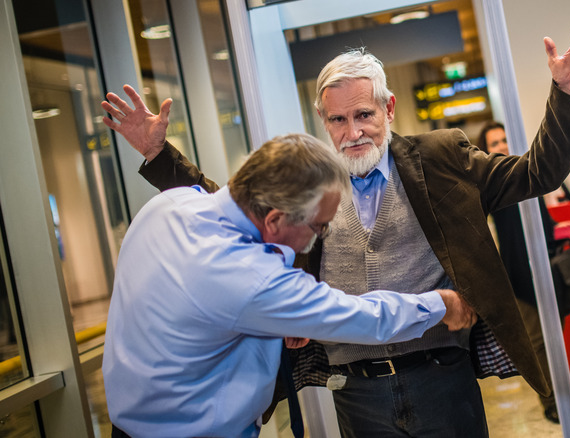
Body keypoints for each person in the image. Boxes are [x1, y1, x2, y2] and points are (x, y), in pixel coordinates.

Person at [103, 15, 570, 437]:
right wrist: (157, 154)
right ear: (323, 119)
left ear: (389, 108)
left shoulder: (439, 158)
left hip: (441, 378)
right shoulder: (311, 185)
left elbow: (537, 173)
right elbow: (237, 204)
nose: (353, 132)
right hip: (355, 390)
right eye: (338, 120)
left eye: (364, 114)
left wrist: (568, 95)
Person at [102, 133, 477, 437]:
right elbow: (364, 317)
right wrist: (441, 303)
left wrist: (272, 325)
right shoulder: (252, 278)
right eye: (319, 228)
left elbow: (198, 317)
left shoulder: (169, 205)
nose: (320, 239)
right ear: (277, 219)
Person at [476, 121, 561, 424]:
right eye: (493, 143)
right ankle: (549, 400)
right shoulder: (489, 187)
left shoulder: (527, 174)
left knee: (555, 337)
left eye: (503, 140)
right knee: (536, 341)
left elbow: (545, 220)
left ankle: (561, 393)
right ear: (485, 150)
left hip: (544, 270)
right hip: (516, 277)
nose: (500, 146)